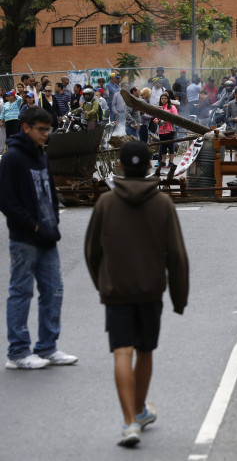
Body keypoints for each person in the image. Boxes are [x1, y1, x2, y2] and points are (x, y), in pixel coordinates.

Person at [84, 140, 188, 447]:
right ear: (147, 167)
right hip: (150, 291)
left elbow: (91, 252)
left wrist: (103, 284)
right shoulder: (162, 204)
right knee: (145, 351)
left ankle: (129, 422)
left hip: (116, 291)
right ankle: (141, 410)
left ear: (119, 166)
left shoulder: (105, 203)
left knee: (121, 352)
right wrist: (179, 299)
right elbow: (177, 256)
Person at [0, 107, 78, 370]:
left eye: (48, 130)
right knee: (21, 293)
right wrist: (32, 226)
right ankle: (18, 352)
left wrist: (52, 223)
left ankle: (47, 346)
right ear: (26, 128)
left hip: (47, 236)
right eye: (41, 130)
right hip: (25, 239)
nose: (46, 134)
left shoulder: (41, 156)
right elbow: (6, 200)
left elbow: (49, 193)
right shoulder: (13, 158)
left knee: (54, 291)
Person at [154, 93, 178, 168]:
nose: (163, 100)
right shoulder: (159, 108)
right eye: (162, 99)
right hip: (161, 130)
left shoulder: (172, 107)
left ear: (168, 99)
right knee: (163, 146)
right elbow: (155, 118)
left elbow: (175, 116)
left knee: (171, 147)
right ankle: (163, 162)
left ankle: (171, 162)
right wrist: (156, 121)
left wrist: (167, 119)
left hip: (170, 130)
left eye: (165, 98)